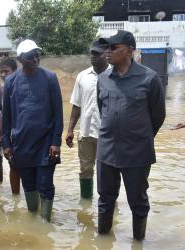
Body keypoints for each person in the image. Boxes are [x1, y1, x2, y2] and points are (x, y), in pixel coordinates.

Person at [97, 30, 165, 240]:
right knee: (105, 199)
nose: (107, 52)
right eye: (106, 48)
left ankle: (138, 241)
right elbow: (102, 110)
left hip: (137, 153)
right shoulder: (103, 78)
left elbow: (158, 115)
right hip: (107, 151)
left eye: (113, 48)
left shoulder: (149, 78)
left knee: (138, 201)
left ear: (129, 50)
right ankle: (103, 240)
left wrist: (140, 136)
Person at [1, 40, 63, 222]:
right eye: (30, 56)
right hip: (21, 142)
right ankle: (32, 220)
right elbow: (7, 115)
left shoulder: (50, 78)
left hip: (46, 143)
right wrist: (6, 143)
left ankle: (45, 223)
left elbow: (58, 112)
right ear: (20, 59)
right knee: (28, 184)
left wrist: (56, 141)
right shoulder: (11, 82)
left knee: (45, 184)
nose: (35, 58)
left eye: (37, 54)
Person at [65, 41, 109, 199]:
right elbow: (76, 106)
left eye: (98, 53)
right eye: (92, 53)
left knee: (108, 173)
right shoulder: (82, 76)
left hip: (108, 135)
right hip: (86, 133)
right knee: (85, 170)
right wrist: (70, 130)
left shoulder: (114, 75)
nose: (93, 56)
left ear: (107, 54)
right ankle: (86, 204)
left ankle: (108, 206)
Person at [0, 57, 21, 194]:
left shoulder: (18, 88)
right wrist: (1, 136)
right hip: (9, 134)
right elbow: (3, 115)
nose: (3, 75)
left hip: (19, 132)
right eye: (1, 72)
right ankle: (15, 198)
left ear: (14, 72)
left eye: (6, 71)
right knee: (13, 166)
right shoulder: (1, 89)